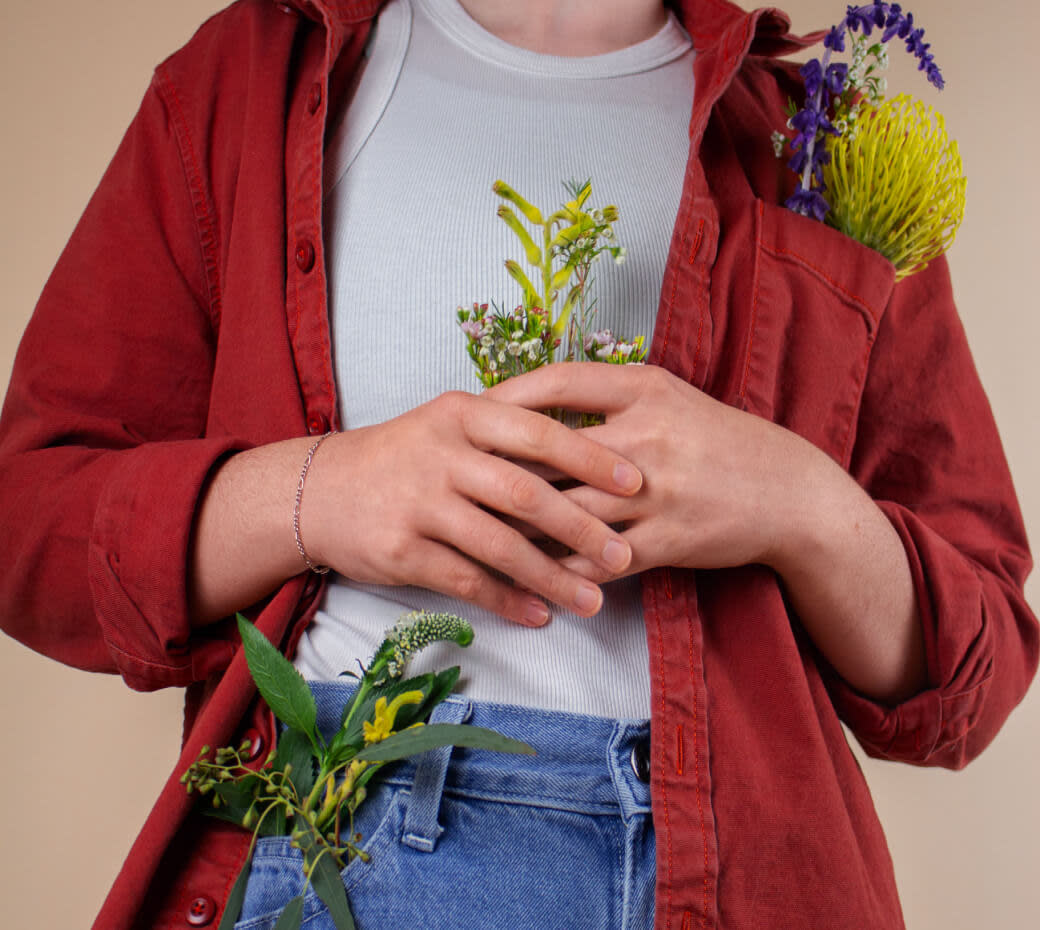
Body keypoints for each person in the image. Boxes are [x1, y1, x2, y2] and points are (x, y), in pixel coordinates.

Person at [0, 0, 1036, 928]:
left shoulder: (823, 142)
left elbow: (969, 679)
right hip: (364, 838)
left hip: (753, 874)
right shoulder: (248, 80)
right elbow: (32, 528)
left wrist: (796, 500)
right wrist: (320, 492)